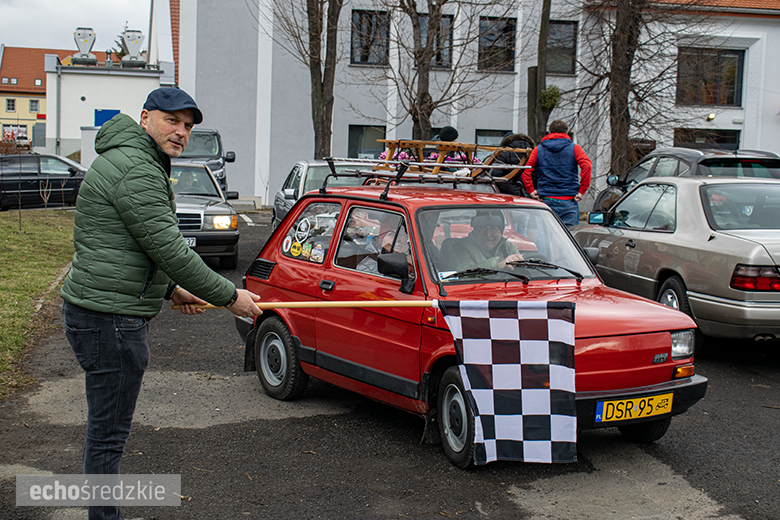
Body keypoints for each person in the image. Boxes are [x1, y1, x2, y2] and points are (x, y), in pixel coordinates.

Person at [59, 87, 262, 520]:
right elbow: (169, 248)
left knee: (104, 433)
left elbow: (134, 245)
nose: (181, 132)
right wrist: (230, 297)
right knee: (108, 437)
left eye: (188, 126)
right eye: (173, 121)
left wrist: (172, 290)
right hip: (109, 319)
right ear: (146, 117)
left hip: (101, 310)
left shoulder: (131, 158)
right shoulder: (137, 167)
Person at [521, 120, 592, 227]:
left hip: (546, 200)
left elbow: (526, 170)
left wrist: (531, 190)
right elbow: (587, 166)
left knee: (543, 238)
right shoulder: (575, 148)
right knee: (569, 240)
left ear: (549, 132)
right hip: (568, 200)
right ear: (566, 133)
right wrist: (582, 190)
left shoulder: (538, 150)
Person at [449, 211, 525, 272]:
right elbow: (462, 273)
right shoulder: (460, 247)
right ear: (475, 230)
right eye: (482, 227)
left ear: (501, 232)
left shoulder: (509, 247)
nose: (488, 234)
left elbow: (520, 273)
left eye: (493, 228)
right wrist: (498, 264)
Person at [491, 132, 535, 197]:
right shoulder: (533, 153)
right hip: (530, 194)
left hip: (507, 196)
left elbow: (496, 175)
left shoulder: (503, 153)